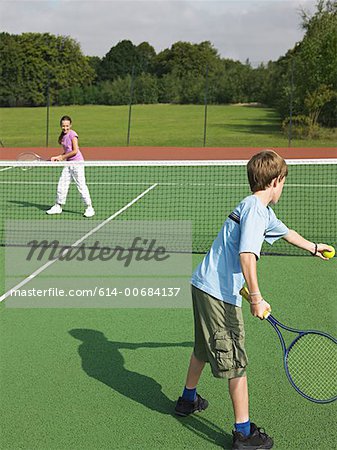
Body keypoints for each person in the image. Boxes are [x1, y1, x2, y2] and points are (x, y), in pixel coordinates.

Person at [174, 150, 333, 450]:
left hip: (203, 285)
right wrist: (256, 297)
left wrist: (313, 247)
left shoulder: (256, 207)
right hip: (218, 295)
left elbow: (286, 233)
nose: (284, 187)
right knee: (236, 362)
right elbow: (247, 254)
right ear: (275, 181)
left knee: (201, 348)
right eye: (283, 181)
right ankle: (243, 434)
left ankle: (187, 400)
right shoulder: (257, 212)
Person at [46, 115, 95, 218]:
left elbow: (75, 151)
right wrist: (58, 157)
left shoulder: (73, 135)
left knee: (81, 185)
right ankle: (58, 206)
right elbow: (67, 150)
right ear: (61, 126)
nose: (65, 128)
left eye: (67, 126)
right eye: (63, 126)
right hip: (68, 163)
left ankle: (89, 207)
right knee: (62, 184)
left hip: (77, 163)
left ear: (70, 125)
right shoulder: (62, 137)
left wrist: (62, 157)